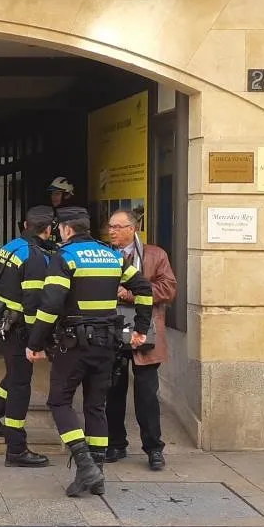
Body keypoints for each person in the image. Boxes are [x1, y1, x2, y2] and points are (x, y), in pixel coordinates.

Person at [26, 206, 153, 498]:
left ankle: (85, 465)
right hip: (107, 345)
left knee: (59, 402)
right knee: (96, 406)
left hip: (74, 345)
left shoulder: (65, 256)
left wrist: (35, 342)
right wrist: (141, 328)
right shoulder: (112, 256)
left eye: (60, 229)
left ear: (67, 229)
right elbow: (144, 288)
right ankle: (97, 475)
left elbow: (51, 305)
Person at [0, 206, 56, 468]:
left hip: (1, 322)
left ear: (25, 224)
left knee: (13, 375)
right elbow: (32, 305)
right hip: (19, 329)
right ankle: (16, 448)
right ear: (49, 229)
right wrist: (37, 341)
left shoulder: (12, 246)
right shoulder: (34, 258)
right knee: (21, 385)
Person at [105, 209, 177, 471]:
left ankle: (154, 449)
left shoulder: (155, 255)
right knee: (113, 390)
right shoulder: (105, 256)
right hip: (114, 331)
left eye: (118, 226)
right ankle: (116, 443)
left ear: (132, 229)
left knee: (147, 395)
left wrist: (132, 293)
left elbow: (168, 288)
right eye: (110, 226)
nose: (111, 231)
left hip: (146, 333)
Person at [46, 176, 74, 243]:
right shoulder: (51, 214)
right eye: (52, 194)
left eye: (57, 194)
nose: (53, 197)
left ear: (67, 195)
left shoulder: (75, 218)